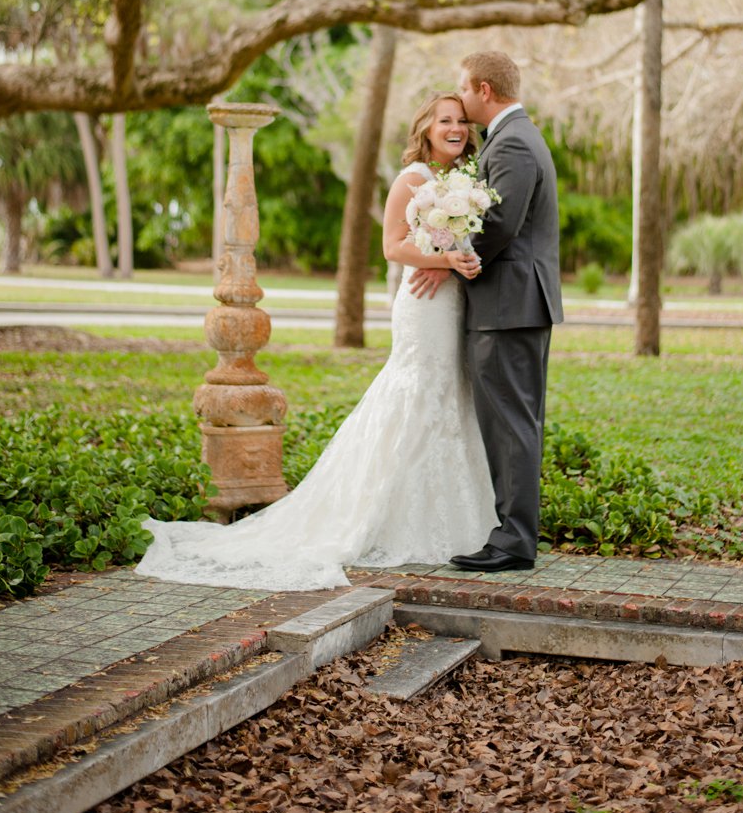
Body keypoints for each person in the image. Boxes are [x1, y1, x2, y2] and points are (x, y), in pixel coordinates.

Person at [135, 91, 497, 591]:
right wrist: (443, 262)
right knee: (415, 392)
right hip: (422, 305)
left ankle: (459, 517)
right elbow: (394, 247)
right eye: (444, 120)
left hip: (453, 301)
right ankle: (380, 515)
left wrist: (461, 260)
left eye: (461, 121)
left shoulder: (461, 182)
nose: (455, 128)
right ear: (426, 129)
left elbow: (460, 242)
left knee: (452, 394)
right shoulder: (411, 180)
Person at [410, 51, 564, 573]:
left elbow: (500, 225)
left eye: (463, 91)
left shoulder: (515, 141)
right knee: (513, 421)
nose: (460, 100)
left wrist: (450, 260)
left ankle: (514, 541)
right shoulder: (516, 136)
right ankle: (513, 533)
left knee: (512, 424)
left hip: (509, 304)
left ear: (483, 89)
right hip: (513, 303)